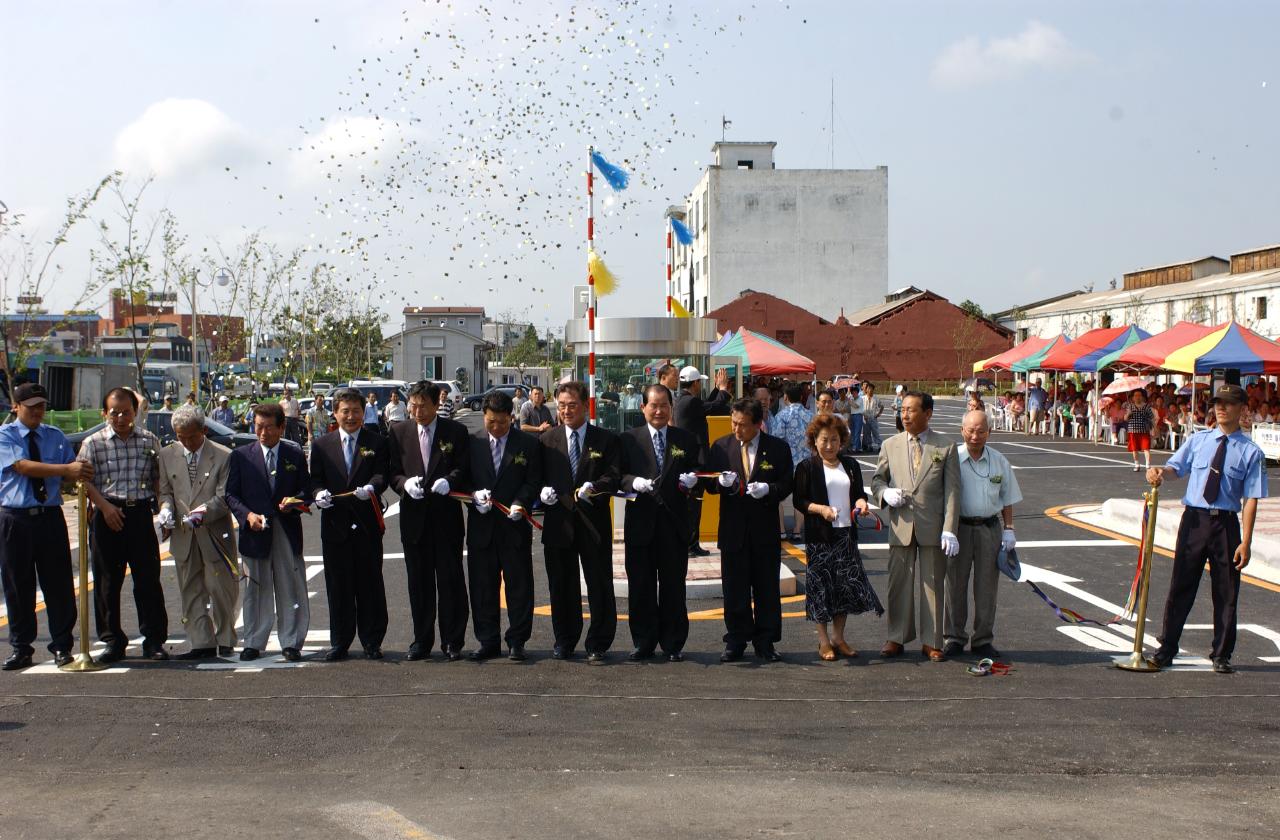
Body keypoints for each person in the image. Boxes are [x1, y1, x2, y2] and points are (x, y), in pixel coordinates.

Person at [1146, 384, 1268, 674]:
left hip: (1225, 524)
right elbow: (1177, 468)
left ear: (1242, 409)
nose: (1221, 408)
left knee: (1226, 591)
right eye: (1217, 403)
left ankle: (1222, 653)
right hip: (1195, 520)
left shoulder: (1251, 452)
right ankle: (1167, 648)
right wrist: (1160, 472)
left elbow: (1251, 498)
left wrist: (1246, 541)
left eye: (1228, 403)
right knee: (1181, 585)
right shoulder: (1199, 441)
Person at [0, 383, 92, 670]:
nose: (38, 412)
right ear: (16, 407)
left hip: (50, 517)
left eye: (41, 406)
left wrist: (78, 472)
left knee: (59, 584)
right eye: (32, 407)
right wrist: (66, 470)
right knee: (18, 585)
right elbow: (23, 467)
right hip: (15, 518)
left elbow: (73, 473)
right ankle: (21, 647)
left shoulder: (55, 436)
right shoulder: (5, 436)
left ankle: (62, 646)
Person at [78, 387, 167, 662]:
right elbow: (82, 480)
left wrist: (163, 509)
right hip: (107, 516)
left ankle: (153, 641)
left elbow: (157, 478)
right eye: (114, 412)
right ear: (104, 413)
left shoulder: (149, 441)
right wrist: (104, 508)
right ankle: (112, 641)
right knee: (107, 583)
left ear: (135, 412)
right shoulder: (93, 443)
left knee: (148, 581)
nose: (120, 417)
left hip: (139, 516)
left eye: (126, 412)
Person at [870, 390, 961, 662]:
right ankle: (896, 637)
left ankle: (932, 641)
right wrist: (884, 494)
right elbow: (877, 480)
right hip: (901, 525)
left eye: (911, 410)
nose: (905, 415)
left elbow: (952, 492)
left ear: (928, 413)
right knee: (898, 584)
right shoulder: (890, 444)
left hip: (933, 526)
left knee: (932, 584)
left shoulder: (945, 446)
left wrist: (949, 528)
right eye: (903, 410)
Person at [538, 381, 621, 664]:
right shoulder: (547, 440)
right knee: (561, 585)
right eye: (561, 405)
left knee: (599, 583)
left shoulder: (605, 439)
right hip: (558, 524)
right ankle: (565, 639)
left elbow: (614, 476)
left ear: (586, 405)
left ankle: (598, 641)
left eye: (572, 405)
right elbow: (537, 477)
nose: (566, 410)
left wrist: (595, 487)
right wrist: (542, 492)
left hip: (593, 523)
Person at [388, 381, 471, 661]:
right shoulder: (399, 432)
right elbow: (393, 471)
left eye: (424, 405)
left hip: (446, 518)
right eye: (413, 404)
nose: (418, 410)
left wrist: (450, 480)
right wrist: (403, 484)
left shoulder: (455, 431)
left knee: (450, 582)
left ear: (437, 404)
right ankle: (421, 640)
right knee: (419, 583)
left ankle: (452, 641)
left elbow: (464, 466)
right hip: (414, 521)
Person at [706, 397, 794, 662]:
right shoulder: (721, 447)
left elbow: (787, 483)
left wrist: (769, 490)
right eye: (733, 423)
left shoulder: (777, 448)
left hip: (764, 530)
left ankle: (765, 640)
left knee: (766, 589)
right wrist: (720, 483)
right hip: (733, 530)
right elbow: (708, 485)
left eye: (742, 425)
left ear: (758, 423)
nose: (736, 430)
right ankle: (736, 639)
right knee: (734, 589)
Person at [619, 384, 701, 661]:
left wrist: (693, 478)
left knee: (673, 586)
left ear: (671, 407)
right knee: (640, 586)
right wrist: (633, 482)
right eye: (653, 405)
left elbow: (699, 471)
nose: (658, 411)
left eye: (664, 405)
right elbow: (616, 476)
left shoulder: (685, 439)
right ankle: (643, 641)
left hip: (674, 526)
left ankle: (673, 643)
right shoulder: (628, 440)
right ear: (642, 408)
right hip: (640, 526)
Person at [792, 412, 882, 661]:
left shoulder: (850, 465)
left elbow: (858, 494)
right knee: (821, 588)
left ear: (841, 441)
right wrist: (821, 510)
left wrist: (862, 503)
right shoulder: (806, 467)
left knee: (844, 588)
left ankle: (838, 637)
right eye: (824, 440)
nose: (829, 445)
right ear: (814, 440)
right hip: (820, 537)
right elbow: (799, 501)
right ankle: (823, 641)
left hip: (846, 535)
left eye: (834, 440)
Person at [226, 403, 313, 662]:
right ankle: (253, 641)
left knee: (290, 586)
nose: (263, 433)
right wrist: (247, 516)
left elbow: (306, 491)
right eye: (258, 427)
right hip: (255, 530)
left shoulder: (294, 455)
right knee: (255, 587)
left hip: (285, 527)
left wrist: (294, 502)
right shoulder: (241, 456)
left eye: (269, 427)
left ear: (282, 427)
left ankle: (291, 641)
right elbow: (231, 494)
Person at [311, 387, 390, 661]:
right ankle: (340, 641)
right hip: (335, 526)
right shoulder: (321, 445)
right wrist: (317, 494)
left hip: (367, 523)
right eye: (345, 411)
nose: (351, 416)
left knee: (370, 583)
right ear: (335, 413)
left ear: (364, 412)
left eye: (356, 411)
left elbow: (383, 474)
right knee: (338, 585)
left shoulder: (377, 442)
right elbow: (315, 479)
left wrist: (372, 487)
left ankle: (372, 641)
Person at [464, 391, 542, 661]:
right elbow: (462, 480)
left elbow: (533, 481)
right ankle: (487, 640)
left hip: (514, 526)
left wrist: (522, 502)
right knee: (483, 586)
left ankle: (517, 640)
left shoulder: (527, 444)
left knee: (519, 585)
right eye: (491, 422)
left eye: (502, 422)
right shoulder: (472, 443)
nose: (496, 428)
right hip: (482, 527)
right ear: (484, 417)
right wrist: (473, 497)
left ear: (511, 417)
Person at [157, 405, 239, 660]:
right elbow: (165, 490)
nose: (186, 442)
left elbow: (225, 496)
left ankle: (225, 637)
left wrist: (202, 512)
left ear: (204, 430)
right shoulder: (167, 454)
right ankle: (201, 641)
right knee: (190, 588)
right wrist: (165, 509)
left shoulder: (223, 455)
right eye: (180, 437)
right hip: (184, 532)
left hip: (214, 531)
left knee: (221, 587)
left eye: (191, 436)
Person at [943, 410, 1021, 660]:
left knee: (987, 586)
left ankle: (983, 639)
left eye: (981, 430)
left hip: (989, 528)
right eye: (970, 430)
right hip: (959, 530)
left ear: (990, 431)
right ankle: (954, 637)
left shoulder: (999, 461)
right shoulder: (951, 458)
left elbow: (1007, 497)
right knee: (955, 584)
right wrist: (946, 530)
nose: (975, 436)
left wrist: (1009, 529)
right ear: (962, 431)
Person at [672, 365, 730, 557]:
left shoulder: (685, 401)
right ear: (695, 383)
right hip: (694, 462)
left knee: (695, 503)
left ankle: (693, 542)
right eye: (700, 383)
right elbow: (715, 406)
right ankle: (689, 543)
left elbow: (706, 405)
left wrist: (717, 390)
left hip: (692, 461)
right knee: (693, 505)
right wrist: (722, 389)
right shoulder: (689, 402)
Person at [773, 382, 814, 542]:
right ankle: (797, 530)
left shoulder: (782, 415)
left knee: (778, 497)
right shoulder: (810, 415)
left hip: (786, 462)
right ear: (802, 397)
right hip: (806, 462)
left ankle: (782, 530)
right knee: (801, 496)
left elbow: (777, 439)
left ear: (786, 397)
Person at [1125, 389, 1155, 472]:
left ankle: (1148, 464)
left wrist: (1153, 428)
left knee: (1146, 448)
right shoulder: (1130, 406)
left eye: (1139, 395)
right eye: (1135, 395)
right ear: (1133, 397)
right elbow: (1125, 419)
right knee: (1135, 449)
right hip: (1133, 430)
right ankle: (1136, 464)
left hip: (1144, 430)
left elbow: (1152, 418)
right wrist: (1128, 413)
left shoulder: (1146, 406)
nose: (1137, 397)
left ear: (1142, 397)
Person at [861, 382, 884, 452]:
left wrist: (879, 413)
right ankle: (869, 445)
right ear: (866, 389)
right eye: (868, 388)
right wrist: (863, 415)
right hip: (865, 418)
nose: (870, 390)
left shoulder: (876, 398)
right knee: (866, 433)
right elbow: (860, 408)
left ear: (873, 390)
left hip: (873, 418)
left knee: (875, 432)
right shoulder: (862, 398)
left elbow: (882, 406)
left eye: (871, 389)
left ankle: (880, 445)